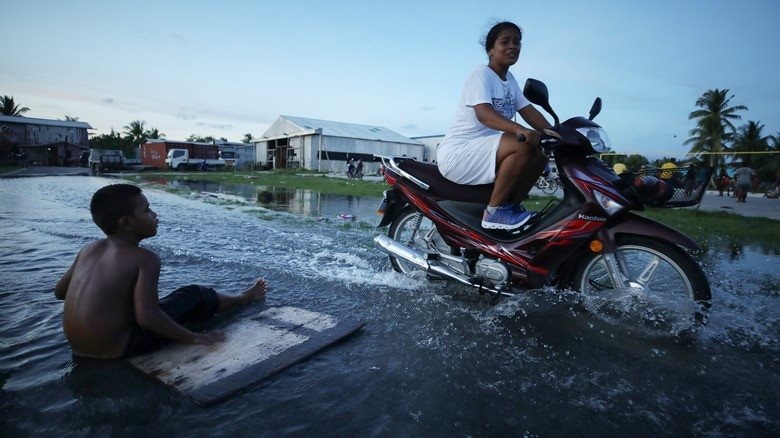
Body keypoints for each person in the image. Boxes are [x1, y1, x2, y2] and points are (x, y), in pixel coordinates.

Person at [54, 183, 268, 359]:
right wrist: (195, 338)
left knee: (160, 303)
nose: (155, 214)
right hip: (118, 349)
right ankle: (243, 298)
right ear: (126, 223)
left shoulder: (89, 249)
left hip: (80, 349)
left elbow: (60, 292)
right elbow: (147, 317)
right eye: (147, 209)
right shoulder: (145, 259)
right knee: (193, 295)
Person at [437, 21, 552, 230]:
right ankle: (494, 212)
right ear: (490, 49)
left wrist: (557, 133)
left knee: (541, 152)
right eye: (505, 42)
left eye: (517, 42)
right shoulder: (480, 74)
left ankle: (510, 208)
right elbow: (484, 115)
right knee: (523, 143)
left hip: (484, 150)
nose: (512, 46)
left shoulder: (510, 80)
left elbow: (529, 112)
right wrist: (520, 130)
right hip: (459, 153)